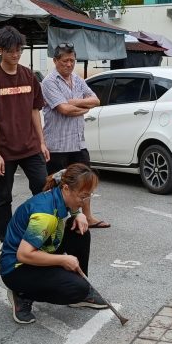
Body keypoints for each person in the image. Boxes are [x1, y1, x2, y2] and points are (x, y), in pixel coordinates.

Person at [0, 163, 107, 324]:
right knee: (77, 289)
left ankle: (81, 290)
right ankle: (22, 294)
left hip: (41, 249)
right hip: (17, 269)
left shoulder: (58, 191)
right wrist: (63, 260)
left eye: (89, 195)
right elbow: (24, 255)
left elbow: (65, 179)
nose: (85, 201)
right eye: (83, 196)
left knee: (79, 230)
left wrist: (78, 214)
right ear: (66, 189)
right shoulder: (45, 216)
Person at [0, 26, 50, 252]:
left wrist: (41, 142)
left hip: (31, 147)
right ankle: (6, 240)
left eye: (19, 49)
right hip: (5, 151)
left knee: (43, 189)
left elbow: (34, 111)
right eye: (11, 50)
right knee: (3, 197)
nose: (16, 54)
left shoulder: (28, 75)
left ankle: (41, 235)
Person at [40, 41, 108, 228]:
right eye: (64, 61)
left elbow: (95, 100)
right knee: (56, 186)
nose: (69, 64)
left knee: (85, 183)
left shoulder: (77, 79)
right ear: (55, 61)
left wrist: (74, 101)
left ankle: (87, 217)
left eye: (72, 60)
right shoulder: (49, 82)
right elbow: (63, 109)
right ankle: (54, 223)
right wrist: (81, 107)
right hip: (57, 145)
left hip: (78, 143)